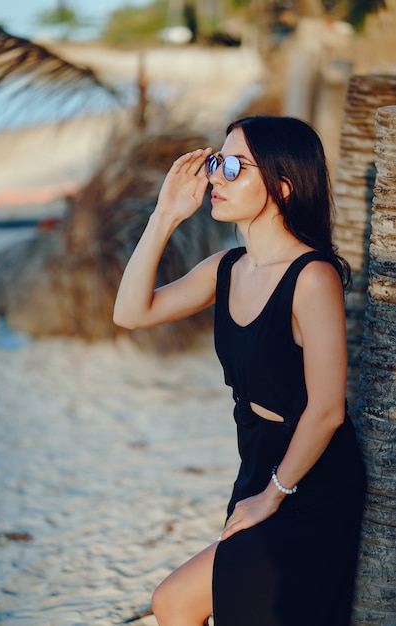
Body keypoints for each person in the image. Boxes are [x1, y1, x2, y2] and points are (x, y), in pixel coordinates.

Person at [113, 115, 366, 626]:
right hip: (257, 463)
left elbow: (327, 410)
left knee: (175, 600)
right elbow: (129, 313)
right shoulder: (225, 268)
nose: (216, 178)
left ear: (284, 186)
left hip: (309, 478)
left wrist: (275, 494)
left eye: (234, 166)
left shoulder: (312, 277)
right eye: (215, 164)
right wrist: (165, 215)